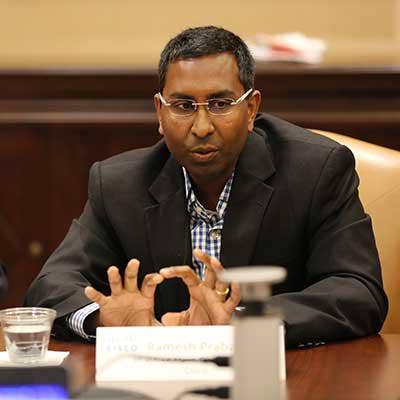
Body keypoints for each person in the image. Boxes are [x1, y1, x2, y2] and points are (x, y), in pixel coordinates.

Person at [25, 26, 387, 348]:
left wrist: (243, 322)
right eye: (183, 105)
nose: (201, 126)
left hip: (282, 377)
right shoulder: (119, 185)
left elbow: (358, 291)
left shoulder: (316, 171)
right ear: (160, 113)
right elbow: (50, 286)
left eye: (220, 104)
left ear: (251, 109)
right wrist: (102, 319)